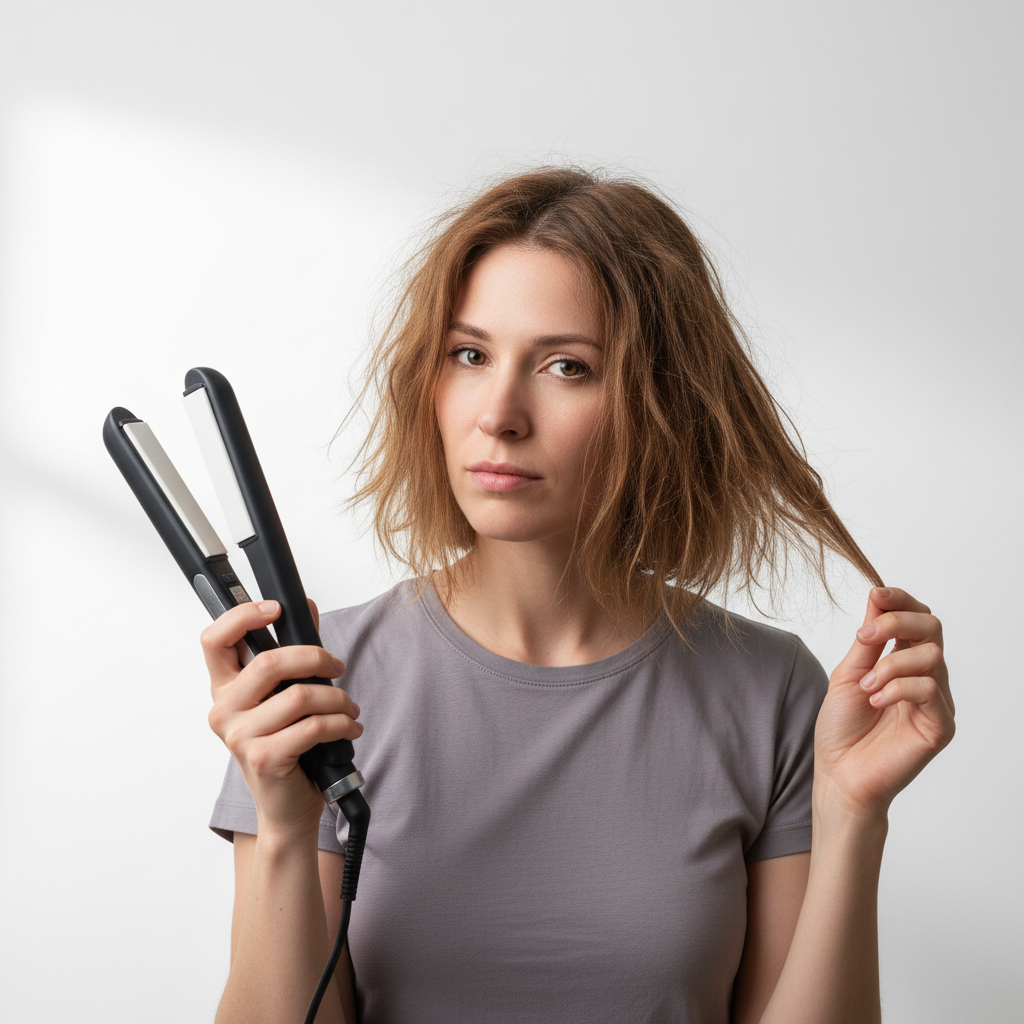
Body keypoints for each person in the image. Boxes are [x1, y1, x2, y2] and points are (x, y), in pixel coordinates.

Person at [205, 167, 955, 1024]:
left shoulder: (770, 691)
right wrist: (282, 831)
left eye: (567, 366)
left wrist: (854, 816)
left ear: (658, 403)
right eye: (470, 355)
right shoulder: (314, 683)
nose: (500, 413)